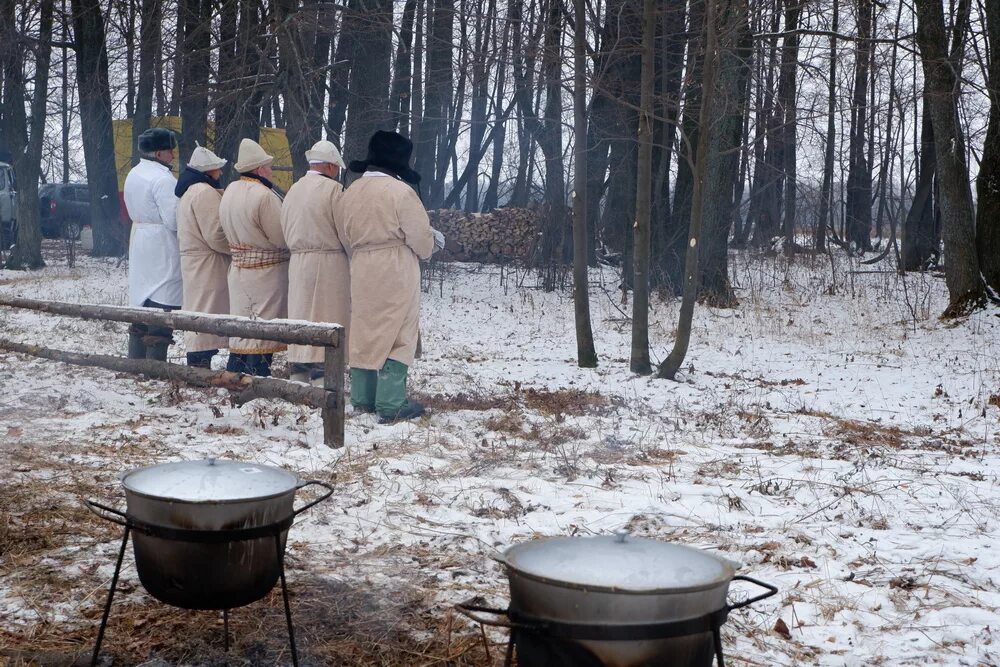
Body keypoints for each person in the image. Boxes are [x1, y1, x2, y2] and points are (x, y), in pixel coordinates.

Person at [336, 130, 445, 423]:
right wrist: (434, 242)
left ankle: (362, 399)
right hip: (395, 265)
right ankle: (391, 402)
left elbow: (344, 234)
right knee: (399, 330)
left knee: (365, 327)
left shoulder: (350, 192)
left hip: (360, 265)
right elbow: (421, 240)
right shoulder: (401, 192)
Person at [280, 140, 349, 385]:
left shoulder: (293, 190)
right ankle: (323, 377)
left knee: (301, 318)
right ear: (330, 167)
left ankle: (298, 373)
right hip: (330, 263)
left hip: (298, 263)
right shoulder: (334, 191)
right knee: (327, 318)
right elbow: (345, 230)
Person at [218, 138, 288, 377]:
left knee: (242, 328)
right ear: (259, 169)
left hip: (238, 268)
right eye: (268, 166)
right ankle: (256, 377)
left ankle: (235, 372)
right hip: (265, 273)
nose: (270, 171)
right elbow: (280, 237)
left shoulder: (229, 191)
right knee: (261, 330)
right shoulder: (264, 196)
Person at [123, 127, 182, 362]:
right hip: (161, 243)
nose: (173, 156)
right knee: (162, 300)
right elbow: (173, 219)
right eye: (170, 151)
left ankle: (135, 360)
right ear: (158, 154)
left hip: (140, 239)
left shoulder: (134, 174)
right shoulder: (163, 179)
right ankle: (155, 364)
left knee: (141, 301)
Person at [175, 143, 230, 369]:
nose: (220, 172)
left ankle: (198, 364)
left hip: (195, 261)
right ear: (208, 171)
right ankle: (199, 367)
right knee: (206, 312)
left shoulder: (190, 192)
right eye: (217, 168)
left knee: (199, 311)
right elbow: (216, 234)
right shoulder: (204, 192)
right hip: (208, 264)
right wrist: (235, 246)